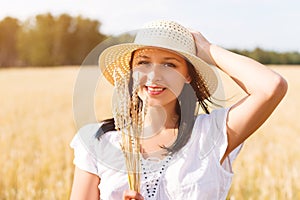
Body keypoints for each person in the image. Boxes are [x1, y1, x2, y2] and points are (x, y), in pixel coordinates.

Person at [69, 20, 287, 200]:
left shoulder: (211, 134)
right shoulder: (98, 140)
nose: (153, 76)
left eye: (169, 64)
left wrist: (206, 49)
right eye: (143, 62)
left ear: (188, 76)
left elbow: (271, 87)